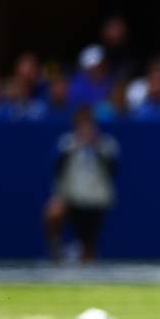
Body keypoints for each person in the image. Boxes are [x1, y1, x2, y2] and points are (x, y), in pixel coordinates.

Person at [44, 108, 119, 263]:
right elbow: (56, 167)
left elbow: (113, 168)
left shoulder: (106, 144)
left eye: (88, 124)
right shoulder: (67, 143)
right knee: (53, 212)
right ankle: (56, 251)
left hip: (95, 201)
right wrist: (76, 144)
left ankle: (86, 258)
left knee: (88, 248)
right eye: (81, 124)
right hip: (71, 199)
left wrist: (95, 145)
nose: (85, 129)